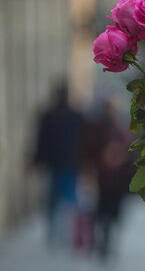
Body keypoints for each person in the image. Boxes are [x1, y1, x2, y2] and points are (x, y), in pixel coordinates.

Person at [81, 98, 133, 261]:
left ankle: (106, 241)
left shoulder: (119, 128)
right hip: (105, 178)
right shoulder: (100, 128)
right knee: (104, 211)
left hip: (116, 179)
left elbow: (130, 151)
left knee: (110, 211)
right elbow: (89, 152)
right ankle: (103, 241)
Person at [33, 80, 84, 245]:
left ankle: (60, 232)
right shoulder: (72, 115)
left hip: (61, 163)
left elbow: (41, 141)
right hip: (64, 163)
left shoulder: (52, 115)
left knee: (59, 199)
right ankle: (62, 233)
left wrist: (38, 160)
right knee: (65, 198)